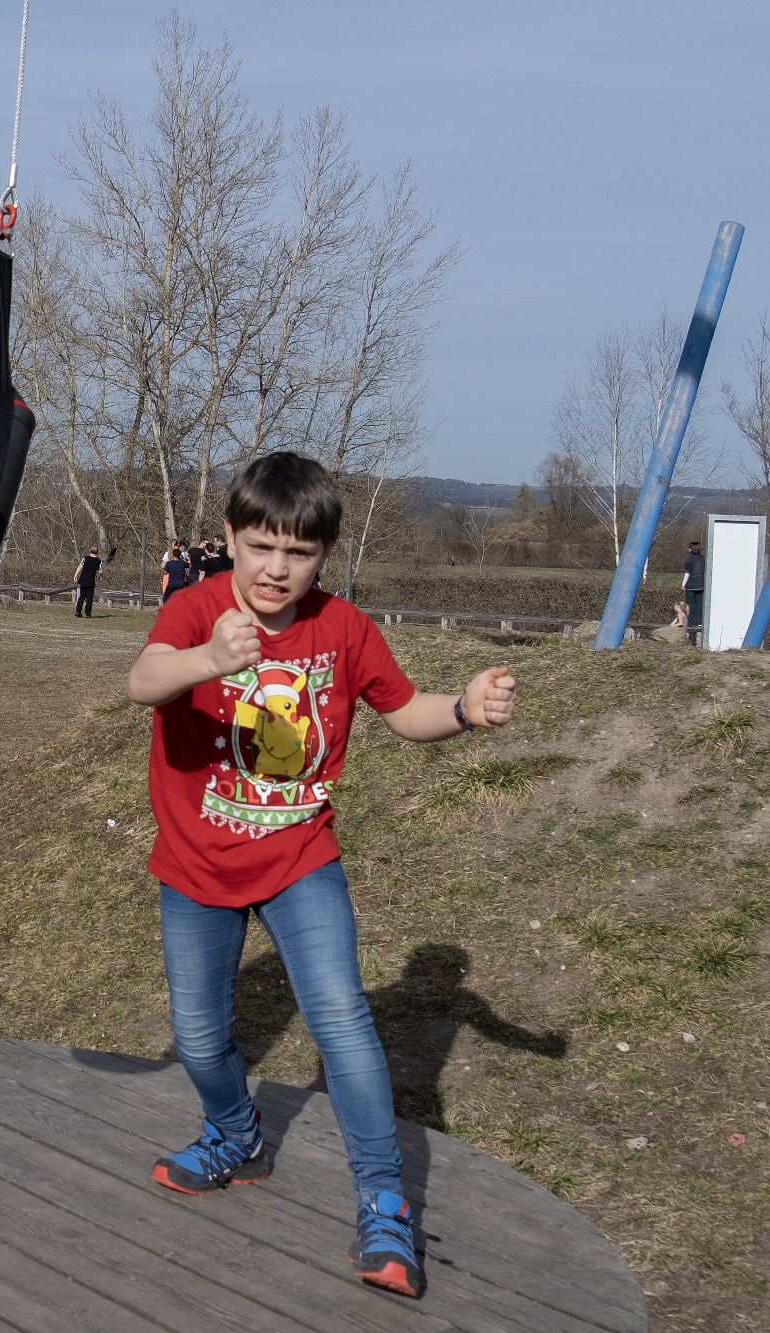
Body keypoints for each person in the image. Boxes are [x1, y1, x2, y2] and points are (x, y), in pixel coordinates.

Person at [127, 451, 518, 1301]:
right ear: (230, 537)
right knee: (199, 1036)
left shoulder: (344, 629)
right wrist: (208, 658)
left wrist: (461, 709)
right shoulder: (195, 608)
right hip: (195, 866)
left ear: (324, 554)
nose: (276, 568)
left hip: (300, 858)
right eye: (261, 546)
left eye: (298, 552)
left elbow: (405, 710)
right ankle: (236, 1133)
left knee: (342, 1021)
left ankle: (384, 1203)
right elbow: (143, 679)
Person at [681, 540, 705, 641]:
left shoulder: (689, 559)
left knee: (690, 605)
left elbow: (687, 573)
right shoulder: (702, 559)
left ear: (691, 549)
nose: (688, 549)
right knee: (699, 604)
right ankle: (699, 622)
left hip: (690, 585)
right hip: (701, 585)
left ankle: (691, 623)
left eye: (689, 548)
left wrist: (683, 585)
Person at [74, 545, 102, 618]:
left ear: (89, 550)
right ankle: (88, 614)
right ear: (97, 552)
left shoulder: (85, 558)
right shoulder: (98, 561)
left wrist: (75, 575)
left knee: (82, 596)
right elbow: (100, 571)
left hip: (83, 580)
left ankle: (78, 611)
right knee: (89, 598)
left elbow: (80, 567)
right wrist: (101, 576)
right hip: (91, 581)